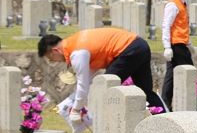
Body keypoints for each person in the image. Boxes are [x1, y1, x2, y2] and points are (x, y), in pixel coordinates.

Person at [37, 28, 166, 122]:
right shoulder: (75, 43)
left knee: (107, 86)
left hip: (128, 49)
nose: (54, 61)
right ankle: (164, 119)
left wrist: (76, 110)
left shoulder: (77, 53)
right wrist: (73, 101)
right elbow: (88, 80)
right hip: (140, 45)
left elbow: (83, 83)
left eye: (51, 58)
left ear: (54, 51)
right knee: (145, 91)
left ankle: (113, 123)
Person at [161, 0, 194, 111]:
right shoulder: (173, 4)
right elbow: (166, 25)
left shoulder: (182, 4)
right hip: (176, 45)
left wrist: (189, 43)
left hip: (182, 44)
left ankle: (165, 104)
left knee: (172, 75)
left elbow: (182, 26)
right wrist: (167, 46)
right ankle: (179, 104)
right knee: (188, 73)